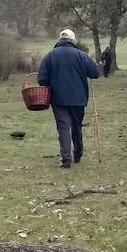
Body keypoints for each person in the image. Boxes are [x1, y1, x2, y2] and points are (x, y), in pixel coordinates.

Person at [37, 29, 101, 168]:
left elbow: (42, 79)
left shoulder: (50, 56)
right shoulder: (81, 55)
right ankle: (78, 152)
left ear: (60, 40)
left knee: (63, 128)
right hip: (79, 98)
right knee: (76, 126)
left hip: (58, 99)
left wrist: (51, 83)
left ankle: (66, 159)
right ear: (72, 40)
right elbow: (95, 73)